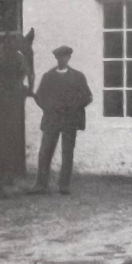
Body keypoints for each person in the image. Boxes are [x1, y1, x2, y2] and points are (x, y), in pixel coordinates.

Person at [27, 45, 92, 195]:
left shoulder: (78, 76)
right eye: (59, 57)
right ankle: (41, 184)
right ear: (56, 58)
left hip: (70, 119)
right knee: (45, 151)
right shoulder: (48, 76)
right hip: (52, 118)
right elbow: (40, 97)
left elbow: (87, 96)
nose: (62, 59)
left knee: (67, 152)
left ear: (69, 58)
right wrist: (50, 107)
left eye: (66, 56)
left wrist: (73, 106)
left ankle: (64, 185)